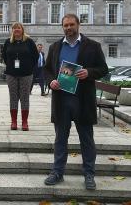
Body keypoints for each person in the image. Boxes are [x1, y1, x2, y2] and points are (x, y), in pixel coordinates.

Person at [44, 14, 108, 190]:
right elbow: (47, 69)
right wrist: (50, 81)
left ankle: (89, 174)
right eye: (65, 25)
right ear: (62, 27)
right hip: (61, 101)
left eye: (71, 24)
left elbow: (103, 68)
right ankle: (57, 172)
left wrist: (89, 72)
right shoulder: (55, 46)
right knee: (60, 139)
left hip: (83, 101)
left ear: (78, 25)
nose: (68, 28)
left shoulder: (92, 46)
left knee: (86, 139)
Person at [2, 22, 39, 131]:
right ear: (12, 30)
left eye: (18, 28)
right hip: (11, 74)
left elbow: (35, 56)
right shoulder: (8, 42)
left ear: (22, 29)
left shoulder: (29, 41)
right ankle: (13, 121)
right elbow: (4, 56)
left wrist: (29, 66)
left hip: (26, 74)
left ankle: (24, 122)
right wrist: (10, 65)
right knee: (13, 97)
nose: (16, 30)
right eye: (14, 28)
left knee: (24, 97)